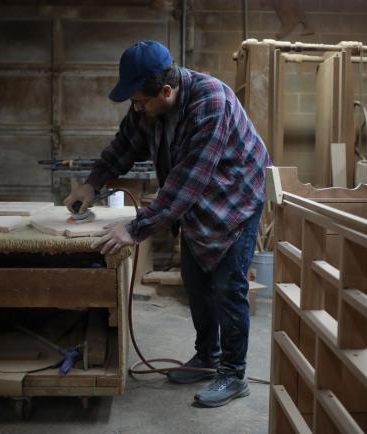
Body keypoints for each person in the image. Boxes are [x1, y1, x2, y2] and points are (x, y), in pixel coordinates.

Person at [64, 40, 270, 408]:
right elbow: (124, 145)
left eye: (142, 102)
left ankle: (234, 374)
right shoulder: (149, 109)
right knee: (195, 281)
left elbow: (187, 182)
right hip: (195, 196)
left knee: (228, 287)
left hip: (235, 196)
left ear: (166, 91)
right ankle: (208, 356)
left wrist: (134, 228)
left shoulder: (211, 103)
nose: (137, 109)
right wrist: (92, 182)